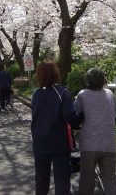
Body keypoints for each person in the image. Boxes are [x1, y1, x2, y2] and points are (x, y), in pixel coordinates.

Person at [31, 61, 83, 195]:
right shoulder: (62, 93)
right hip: (59, 143)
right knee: (62, 180)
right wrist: (81, 117)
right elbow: (70, 116)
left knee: (41, 179)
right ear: (55, 74)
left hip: (40, 142)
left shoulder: (36, 94)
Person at [74, 68, 116, 195]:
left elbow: (75, 116)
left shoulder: (82, 95)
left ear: (87, 81)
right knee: (111, 179)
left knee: (86, 179)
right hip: (108, 142)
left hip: (89, 144)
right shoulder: (110, 94)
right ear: (103, 80)